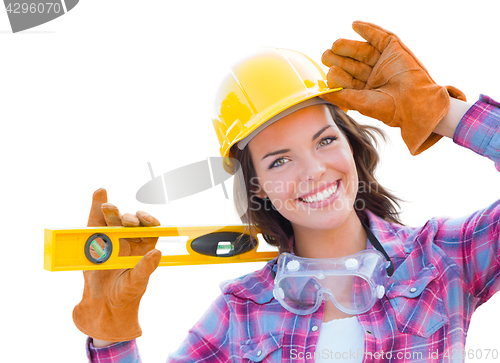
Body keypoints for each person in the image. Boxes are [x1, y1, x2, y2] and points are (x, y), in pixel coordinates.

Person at [74, 21, 500, 362]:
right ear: (255, 185)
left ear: (351, 144)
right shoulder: (240, 313)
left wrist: (442, 113)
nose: (314, 170)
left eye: (325, 140)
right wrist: (112, 336)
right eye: (280, 160)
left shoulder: (443, 258)